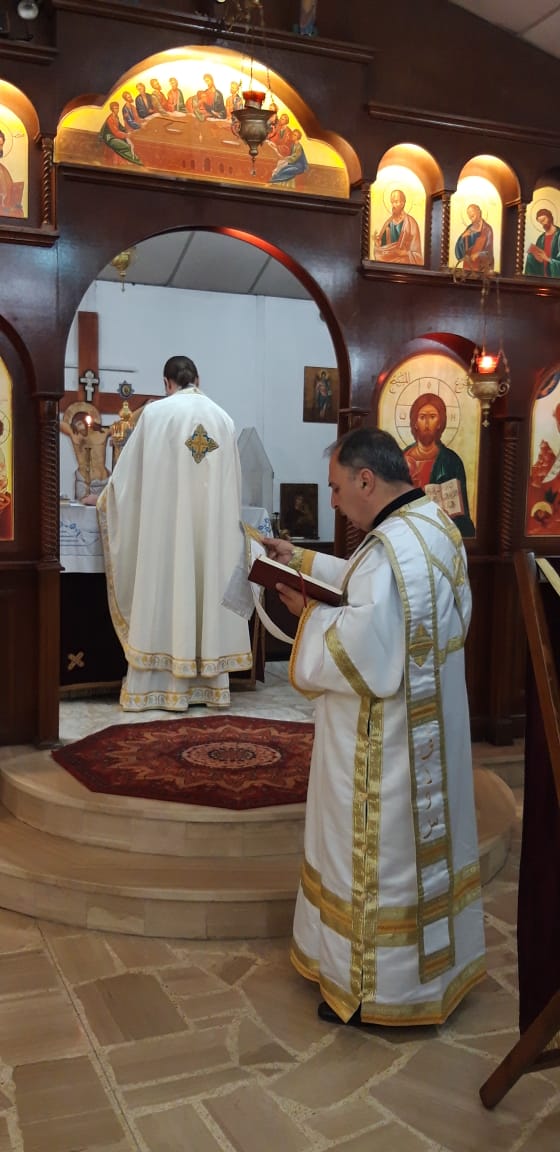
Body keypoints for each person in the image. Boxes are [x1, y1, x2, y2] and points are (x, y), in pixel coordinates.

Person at [260, 426, 485, 1027]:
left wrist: (308, 613)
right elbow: (375, 590)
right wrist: (301, 561)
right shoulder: (433, 525)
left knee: (378, 864)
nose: (332, 500)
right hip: (429, 734)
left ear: (366, 480)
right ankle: (431, 975)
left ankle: (369, 989)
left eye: (337, 488)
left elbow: (365, 649)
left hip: (384, 749)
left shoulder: (390, 550)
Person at [97, 354, 252, 712]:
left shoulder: (155, 414)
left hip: (166, 535)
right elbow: (233, 487)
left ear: (167, 383)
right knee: (206, 586)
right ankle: (209, 685)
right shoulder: (224, 419)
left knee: (164, 589)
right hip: (210, 536)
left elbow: (126, 481)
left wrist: (105, 498)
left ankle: (158, 686)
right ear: (198, 378)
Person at [403, 392, 475, 537]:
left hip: (440, 533)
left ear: (440, 423)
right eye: (422, 417)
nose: (427, 424)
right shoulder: (401, 459)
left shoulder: (452, 461)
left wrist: (450, 516)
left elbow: (463, 515)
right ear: (415, 422)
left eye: (432, 417)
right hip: (407, 531)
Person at [59, 404, 112, 500]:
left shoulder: (103, 432)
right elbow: (56, 423)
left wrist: (142, 409)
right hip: (83, 482)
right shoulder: (74, 433)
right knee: (83, 507)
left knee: (104, 507)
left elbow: (122, 425)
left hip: (103, 481)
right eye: (76, 424)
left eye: (80, 423)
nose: (79, 427)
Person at [374, 188, 423, 265]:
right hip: (388, 264)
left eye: (396, 202)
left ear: (402, 204)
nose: (393, 205)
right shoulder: (388, 223)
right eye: (392, 202)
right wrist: (378, 243)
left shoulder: (411, 223)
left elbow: (417, 255)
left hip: (405, 264)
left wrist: (405, 253)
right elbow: (383, 249)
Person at [99, 102, 143, 166]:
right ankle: (130, 160)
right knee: (126, 146)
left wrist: (127, 131)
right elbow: (115, 132)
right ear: (111, 109)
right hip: (110, 138)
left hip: (115, 136)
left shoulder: (116, 117)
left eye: (117, 108)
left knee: (129, 142)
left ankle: (128, 160)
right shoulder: (110, 119)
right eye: (115, 108)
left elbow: (120, 127)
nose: (116, 110)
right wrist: (126, 135)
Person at [454, 203, 494, 272]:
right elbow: (459, 248)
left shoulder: (487, 229)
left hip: (482, 268)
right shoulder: (469, 228)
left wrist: (479, 254)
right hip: (468, 266)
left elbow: (489, 252)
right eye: (469, 216)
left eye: (472, 215)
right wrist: (462, 237)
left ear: (479, 212)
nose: (471, 218)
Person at [525, 208, 560, 277]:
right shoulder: (541, 238)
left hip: (554, 275)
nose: (543, 223)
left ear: (550, 218)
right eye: (540, 222)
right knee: (530, 257)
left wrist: (547, 259)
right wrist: (535, 255)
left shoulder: (559, 235)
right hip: (542, 272)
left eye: (544, 220)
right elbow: (538, 257)